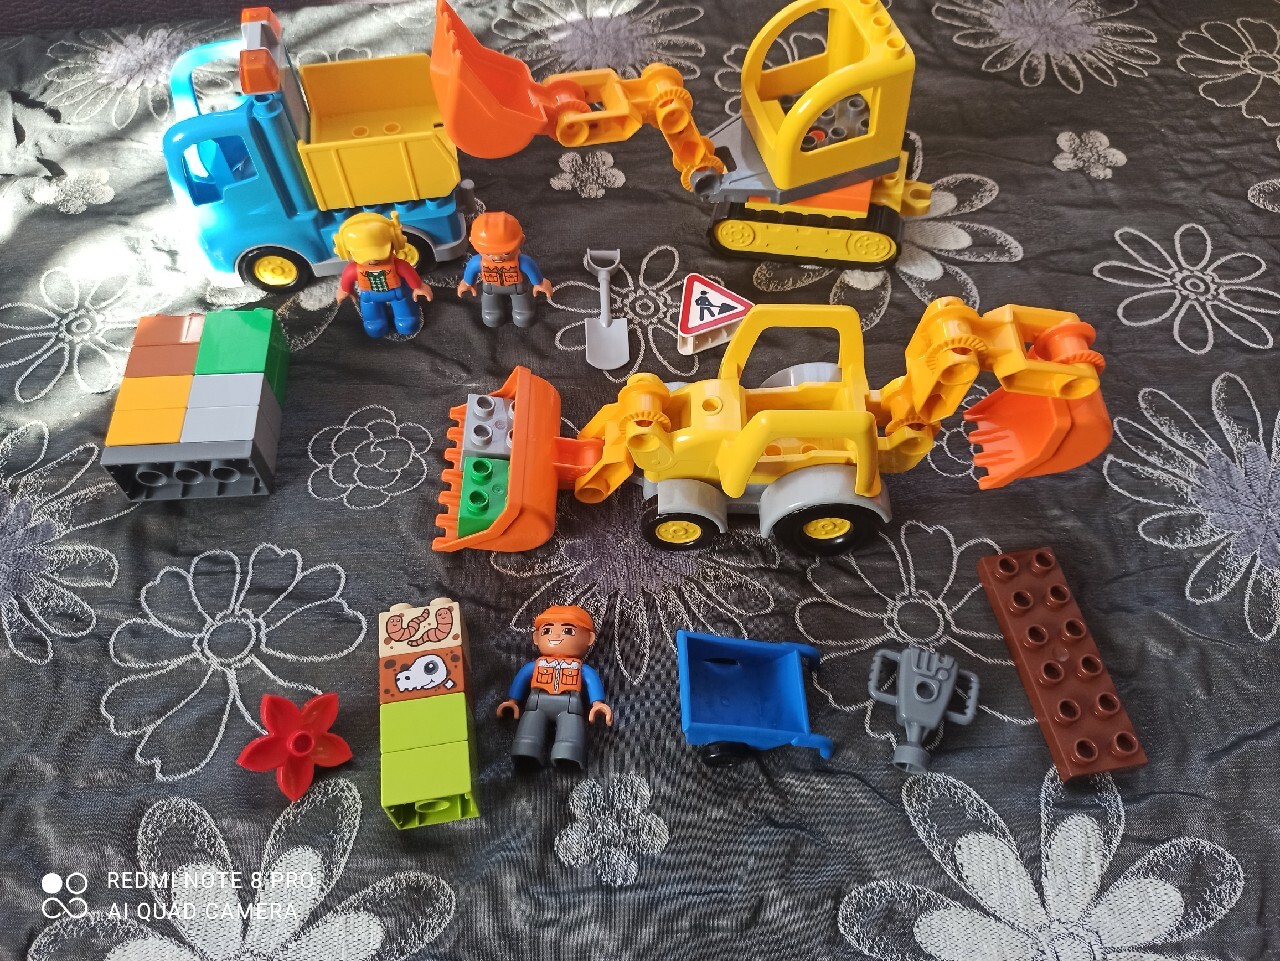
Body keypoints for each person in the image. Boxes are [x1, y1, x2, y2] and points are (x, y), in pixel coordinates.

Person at [496, 605, 612, 771]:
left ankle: (569, 754)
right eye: (547, 631)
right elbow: (521, 679)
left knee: (570, 737)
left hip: (570, 708)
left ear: (589, 638)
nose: (556, 635)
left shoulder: (581, 669)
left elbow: (591, 681)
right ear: (536, 637)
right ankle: (526, 752)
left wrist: (597, 704)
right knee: (528, 735)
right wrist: (513, 701)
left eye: (568, 631)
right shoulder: (535, 666)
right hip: (536, 705)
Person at [334, 212, 432, 338]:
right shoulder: (354, 269)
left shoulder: (398, 265)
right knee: (374, 324)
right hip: (370, 296)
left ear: (395, 242)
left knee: (407, 320)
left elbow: (409, 273)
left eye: (380, 252)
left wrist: (418, 287)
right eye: (363, 255)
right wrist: (345, 290)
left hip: (397, 293)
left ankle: (406, 319)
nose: (373, 259)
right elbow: (347, 278)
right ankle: (375, 321)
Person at [457, 211, 552, 328]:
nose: (497, 258)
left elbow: (530, 267)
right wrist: (467, 283)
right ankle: (492, 311)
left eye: (506, 253)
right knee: (492, 314)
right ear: (472, 243)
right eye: (488, 253)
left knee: (524, 314)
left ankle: (522, 311)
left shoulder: (521, 261)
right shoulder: (479, 262)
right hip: (491, 288)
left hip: (517, 288)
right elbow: (471, 269)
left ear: (521, 240)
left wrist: (539, 283)